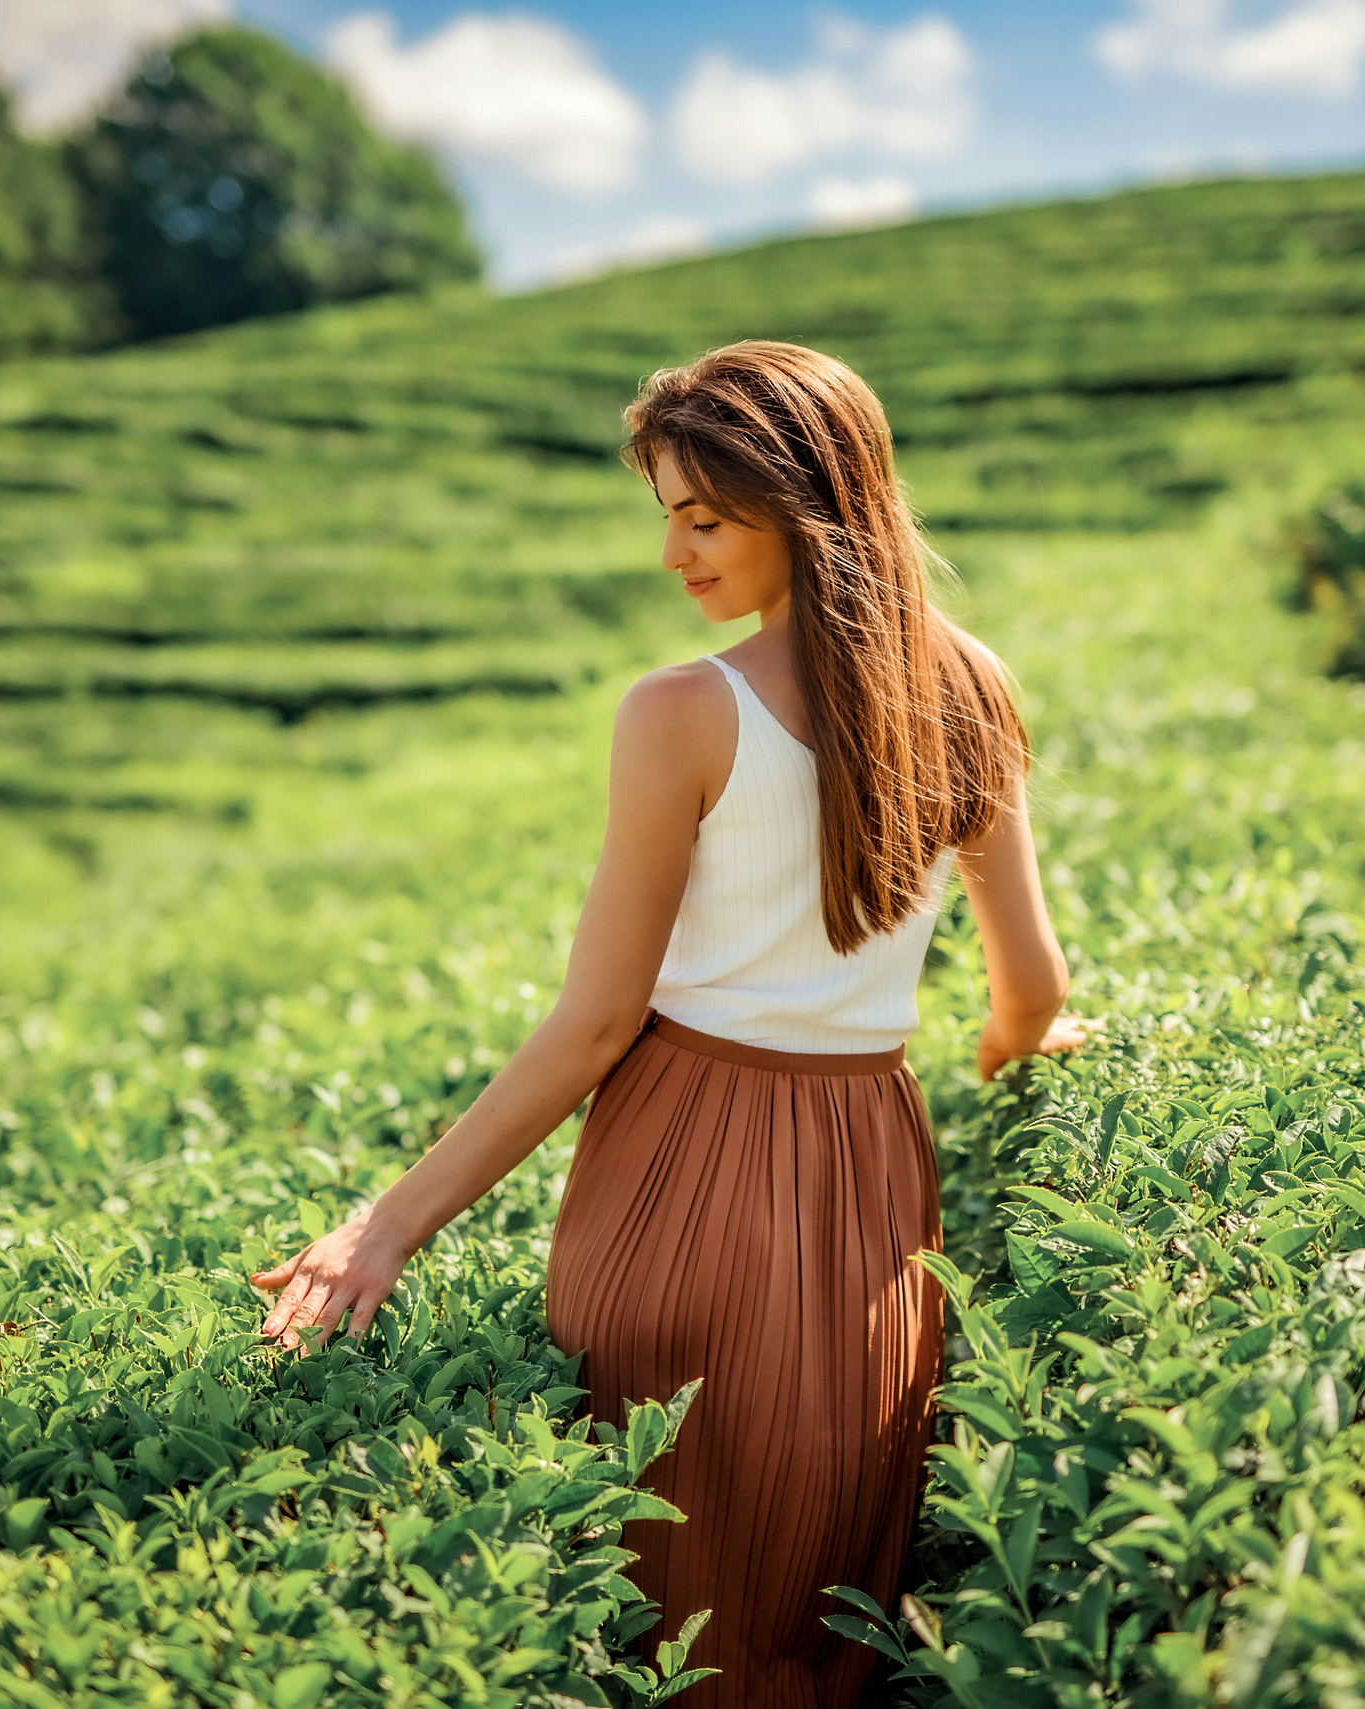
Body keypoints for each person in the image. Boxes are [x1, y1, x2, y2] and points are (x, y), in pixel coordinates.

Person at [251, 341, 1087, 1706]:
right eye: (668, 517)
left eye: (706, 517)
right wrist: (1016, 1051)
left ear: (807, 508)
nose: (675, 554)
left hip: (673, 1167)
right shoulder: (973, 685)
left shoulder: (681, 711)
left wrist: (382, 1226)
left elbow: (593, 1026)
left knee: (649, 1615)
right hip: (872, 1182)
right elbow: (1033, 986)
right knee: (812, 1618)